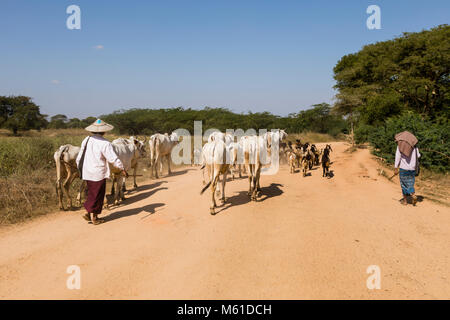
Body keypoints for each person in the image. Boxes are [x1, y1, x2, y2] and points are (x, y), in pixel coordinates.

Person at [76, 119, 128, 225]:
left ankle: (89, 212)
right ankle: (94, 218)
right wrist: (122, 168)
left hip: (87, 171)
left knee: (91, 193)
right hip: (98, 172)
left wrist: (79, 167)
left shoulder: (86, 139)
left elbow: (80, 155)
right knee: (98, 195)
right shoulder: (105, 143)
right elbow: (112, 158)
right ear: (104, 131)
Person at [394, 131, 420, 206]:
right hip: (412, 169)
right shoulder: (414, 146)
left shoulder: (399, 146)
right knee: (410, 183)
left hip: (403, 168)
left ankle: (405, 201)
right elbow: (418, 156)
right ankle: (413, 194)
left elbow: (397, 157)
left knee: (403, 184)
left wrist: (396, 168)